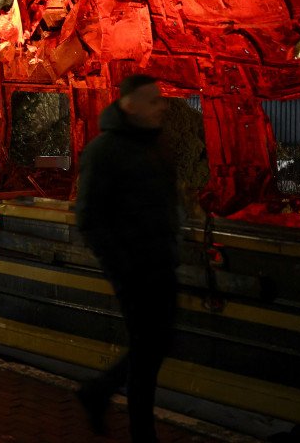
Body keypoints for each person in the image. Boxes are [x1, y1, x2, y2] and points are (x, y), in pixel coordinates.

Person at [74, 74, 182, 443]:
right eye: (153, 101)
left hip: (160, 261)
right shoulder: (103, 150)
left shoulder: (155, 145)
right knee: (150, 347)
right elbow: (88, 217)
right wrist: (123, 265)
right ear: (129, 104)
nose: (162, 107)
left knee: (154, 345)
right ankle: (138, 430)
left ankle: (100, 393)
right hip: (135, 268)